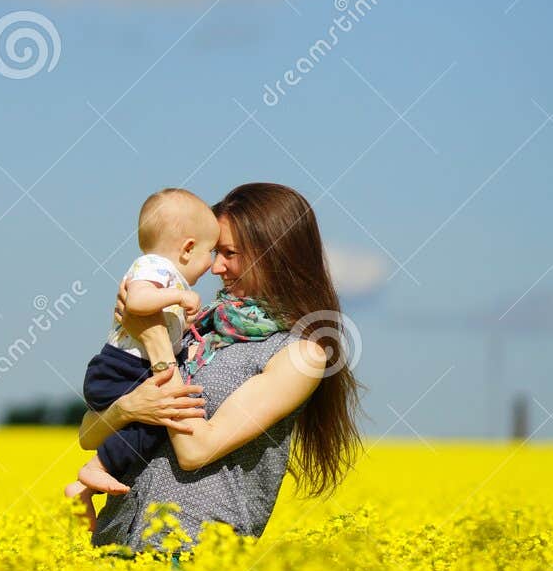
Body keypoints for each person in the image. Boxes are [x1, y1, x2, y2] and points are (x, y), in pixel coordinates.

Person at [77, 183, 362, 551]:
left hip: (194, 555)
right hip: (117, 542)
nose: (215, 267)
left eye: (229, 253)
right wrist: (128, 407)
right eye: (214, 252)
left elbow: (197, 450)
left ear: (275, 253)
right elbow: (88, 435)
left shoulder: (300, 355)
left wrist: (155, 341)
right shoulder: (194, 326)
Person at [62, 188, 219, 526]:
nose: (213, 263)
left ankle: (84, 489)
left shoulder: (163, 273)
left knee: (150, 423)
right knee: (158, 419)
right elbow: (136, 304)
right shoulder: (155, 268)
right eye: (211, 252)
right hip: (121, 368)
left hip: (123, 369)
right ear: (188, 248)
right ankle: (94, 471)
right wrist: (178, 295)